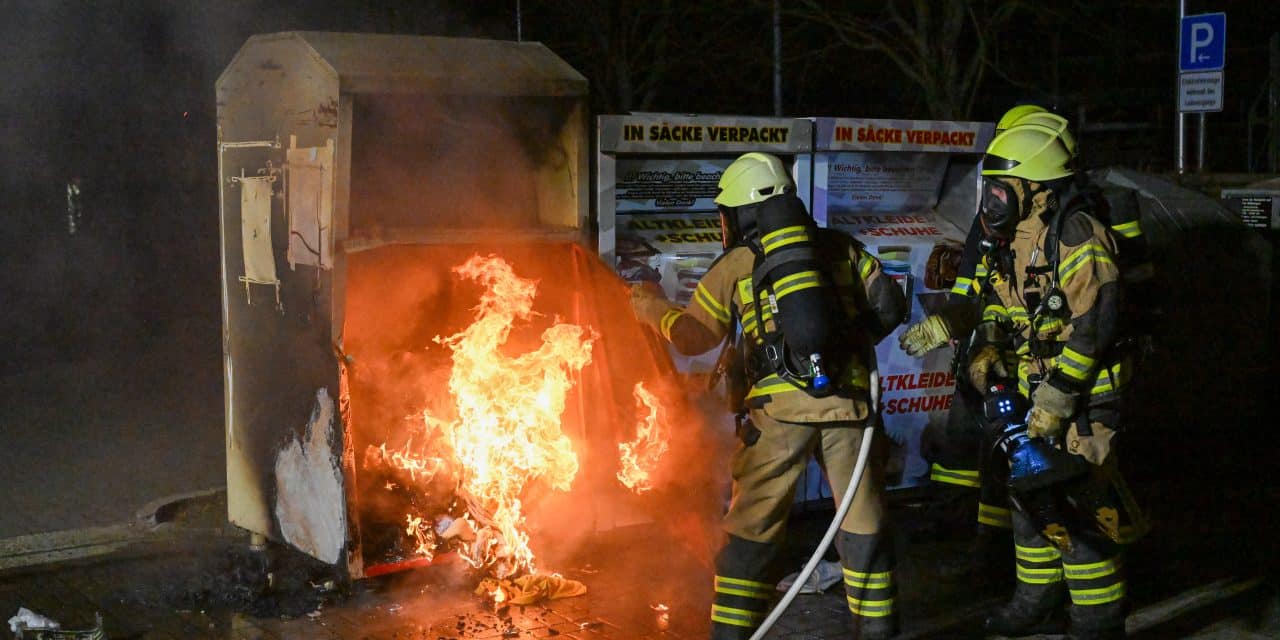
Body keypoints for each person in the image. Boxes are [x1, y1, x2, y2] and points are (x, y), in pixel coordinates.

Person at [630, 152, 908, 639]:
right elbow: (889, 305)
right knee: (862, 527)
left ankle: (732, 635)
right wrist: (842, 351)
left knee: (749, 534)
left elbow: (695, 336)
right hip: (851, 410)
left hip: (779, 417)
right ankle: (878, 630)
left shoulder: (739, 262)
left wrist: (648, 308)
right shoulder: (841, 247)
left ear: (738, 213)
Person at [963, 122, 1140, 639]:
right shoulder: (1012, 240)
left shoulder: (1078, 233)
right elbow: (999, 303)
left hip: (1084, 402)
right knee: (1029, 497)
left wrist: (1060, 396)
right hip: (1031, 392)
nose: (991, 199)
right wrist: (990, 344)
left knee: (1083, 515)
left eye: (1002, 187)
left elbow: (1096, 323)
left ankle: (1097, 622)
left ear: (1035, 189)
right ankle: (1035, 601)